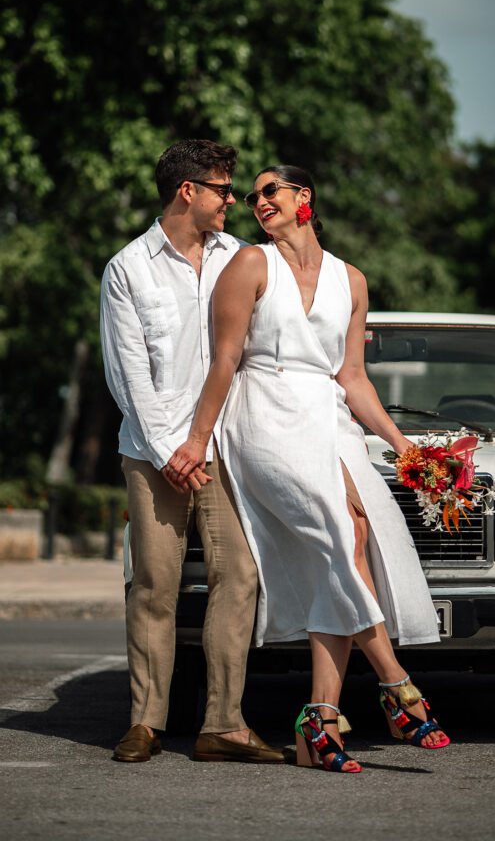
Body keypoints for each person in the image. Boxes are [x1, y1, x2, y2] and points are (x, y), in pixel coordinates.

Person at [166, 165, 450, 774]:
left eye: (271, 190)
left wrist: (406, 450)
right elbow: (224, 360)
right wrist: (197, 438)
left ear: (304, 198)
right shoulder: (249, 266)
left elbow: (352, 378)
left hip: (327, 417)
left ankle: (318, 723)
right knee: (338, 533)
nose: (258, 201)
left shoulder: (352, 279)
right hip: (263, 414)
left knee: (355, 537)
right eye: (251, 196)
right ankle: (398, 684)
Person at [100, 139, 285, 765]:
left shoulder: (243, 257)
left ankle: (222, 724)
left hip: (228, 447)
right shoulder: (128, 268)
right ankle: (146, 722)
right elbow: (128, 377)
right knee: (155, 584)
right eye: (223, 189)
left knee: (241, 576)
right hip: (154, 457)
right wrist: (171, 452)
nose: (234, 200)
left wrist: (202, 445)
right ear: (189, 192)